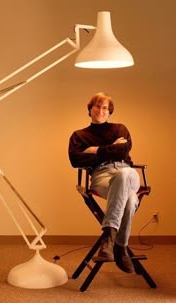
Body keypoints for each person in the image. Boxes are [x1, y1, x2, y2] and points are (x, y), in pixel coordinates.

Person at [68, 92, 140, 273]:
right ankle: (120, 246)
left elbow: (122, 151)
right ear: (90, 109)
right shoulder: (79, 135)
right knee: (130, 200)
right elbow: (76, 160)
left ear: (110, 112)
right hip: (101, 176)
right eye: (97, 106)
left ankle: (109, 237)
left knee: (124, 174)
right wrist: (110, 149)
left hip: (128, 173)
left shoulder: (120, 129)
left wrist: (94, 151)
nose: (101, 110)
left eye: (105, 108)